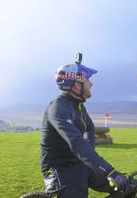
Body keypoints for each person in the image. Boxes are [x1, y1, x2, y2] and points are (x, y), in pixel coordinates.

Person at [40, 59, 127, 197]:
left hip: (79, 163)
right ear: (76, 85)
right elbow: (76, 142)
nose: (91, 83)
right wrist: (110, 172)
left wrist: (90, 154)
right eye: (87, 80)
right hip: (60, 170)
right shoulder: (57, 108)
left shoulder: (78, 106)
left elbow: (90, 129)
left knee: (126, 187)